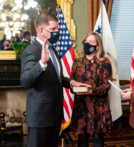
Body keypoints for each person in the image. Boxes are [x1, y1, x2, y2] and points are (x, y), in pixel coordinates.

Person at [20, 12, 91, 147]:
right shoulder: (31, 51)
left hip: (55, 116)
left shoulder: (53, 50)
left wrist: (71, 82)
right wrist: (41, 63)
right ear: (41, 30)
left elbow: (56, 77)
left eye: (57, 29)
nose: (57, 32)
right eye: (53, 29)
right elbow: (25, 81)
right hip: (40, 118)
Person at [70, 32, 113, 147]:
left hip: (98, 106)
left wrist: (91, 91)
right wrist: (75, 89)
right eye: (86, 42)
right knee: (82, 138)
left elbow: (106, 85)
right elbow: (71, 83)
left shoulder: (105, 62)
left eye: (91, 42)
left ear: (97, 46)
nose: (87, 44)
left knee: (98, 137)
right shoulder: (77, 62)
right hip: (82, 106)